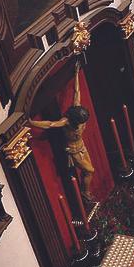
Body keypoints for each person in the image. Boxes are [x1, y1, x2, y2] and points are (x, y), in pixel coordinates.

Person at [27, 69, 96, 202]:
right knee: (90, 171)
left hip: (82, 147)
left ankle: (84, 190)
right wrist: (31, 122)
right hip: (74, 151)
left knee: (88, 171)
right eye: (82, 122)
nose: (83, 124)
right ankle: (85, 192)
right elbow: (50, 124)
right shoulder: (66, 122)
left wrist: (75, 73)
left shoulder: (77, 109)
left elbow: (77, 92)